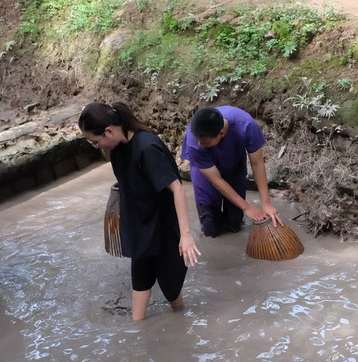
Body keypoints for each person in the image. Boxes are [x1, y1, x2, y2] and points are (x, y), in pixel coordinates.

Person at [79, 101, 200, 320]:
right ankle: (139, 330)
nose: (96, 146)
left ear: (109, 130)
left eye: (95, 142)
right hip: (140, 226)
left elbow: (178, 189)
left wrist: (186, 236)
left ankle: (181, 317)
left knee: (171, 289)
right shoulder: (115, 147)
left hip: (161, 227)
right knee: (141, 282)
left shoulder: (147, 148)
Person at [180, 106, 281, 237]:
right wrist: (247, 207)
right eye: (199, 140)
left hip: (234, 166)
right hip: (205, 175)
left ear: (221, 133)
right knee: (211, 230)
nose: (200, 144)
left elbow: (257, 164)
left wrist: (266, 203)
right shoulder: (194, 141)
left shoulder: (246, 125)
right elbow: (215, 180)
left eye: (205, 142)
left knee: (234, 225)